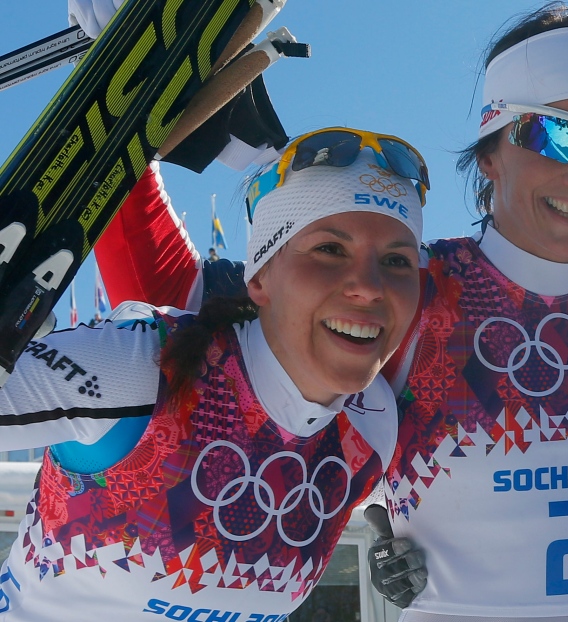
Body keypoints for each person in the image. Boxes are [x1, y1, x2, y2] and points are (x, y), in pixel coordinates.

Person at [81, 4, 568, 620]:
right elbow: (188, 310)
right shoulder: (407, 286)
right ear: (490, 150)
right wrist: (125, 97)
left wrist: (396, 514)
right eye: (555, 134)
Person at [0, 126, 427, 620]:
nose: (370, 287)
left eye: (397, 260)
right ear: (261, 276)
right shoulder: (144, 365)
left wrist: (392, 538)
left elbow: (368, 489)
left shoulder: (373, 419)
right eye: (330, 249)